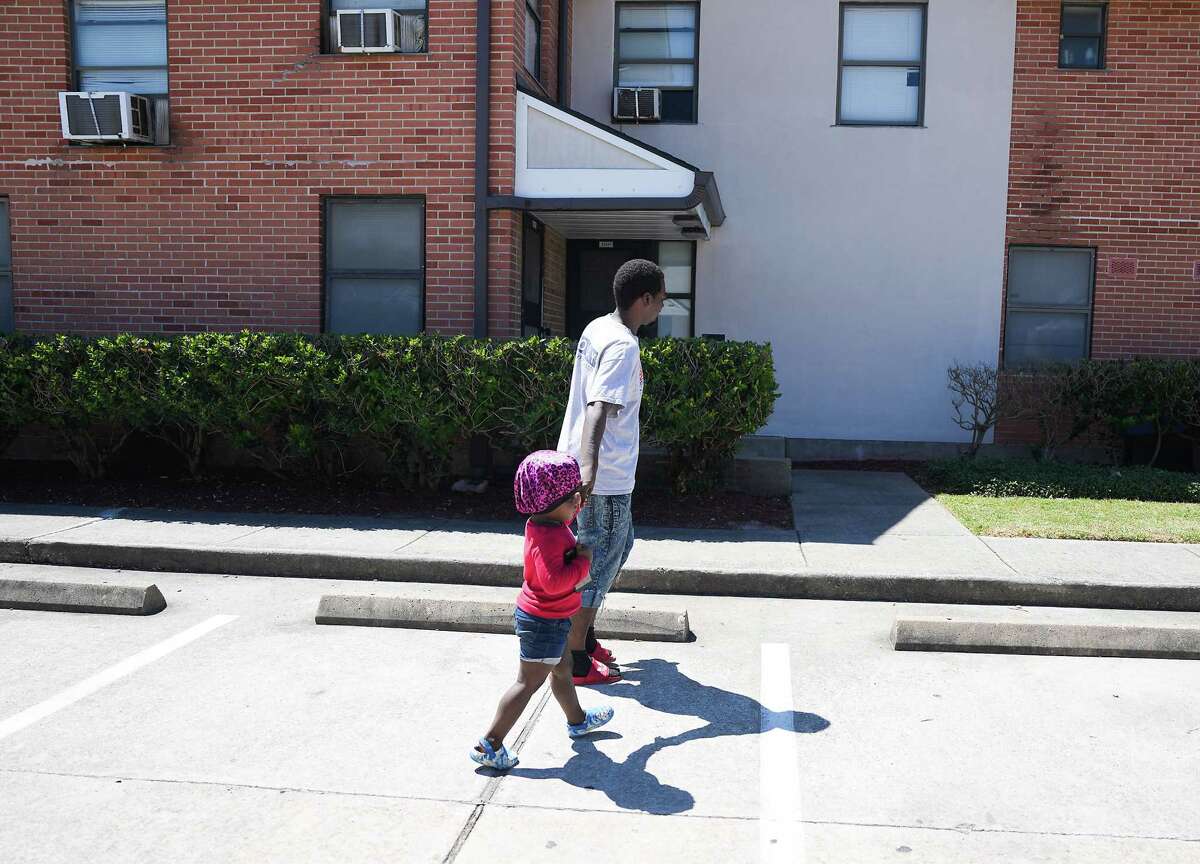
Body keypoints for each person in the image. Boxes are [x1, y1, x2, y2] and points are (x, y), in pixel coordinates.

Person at [558, 258, 667, 686]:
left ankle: (584, 638)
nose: (661, 307)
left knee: (617, 550)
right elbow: (598, 406)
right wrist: (589, 471)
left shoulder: (597, 328)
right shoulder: (622, 345)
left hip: (602, 475)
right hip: (604, 478)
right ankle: (577, 658)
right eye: (659, 299)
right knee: (597, 564)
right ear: (643, 299)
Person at [470, 450, 615, 771]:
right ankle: (489, 744)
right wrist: (583, 560)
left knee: (562, 670)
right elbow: (553, 582)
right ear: (552, 504)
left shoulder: (544, 525)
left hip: (552, 619)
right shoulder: (549, 537)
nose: (579, 503)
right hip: (543, 622)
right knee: (527, 683)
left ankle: (577, 721)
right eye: (573, 499)